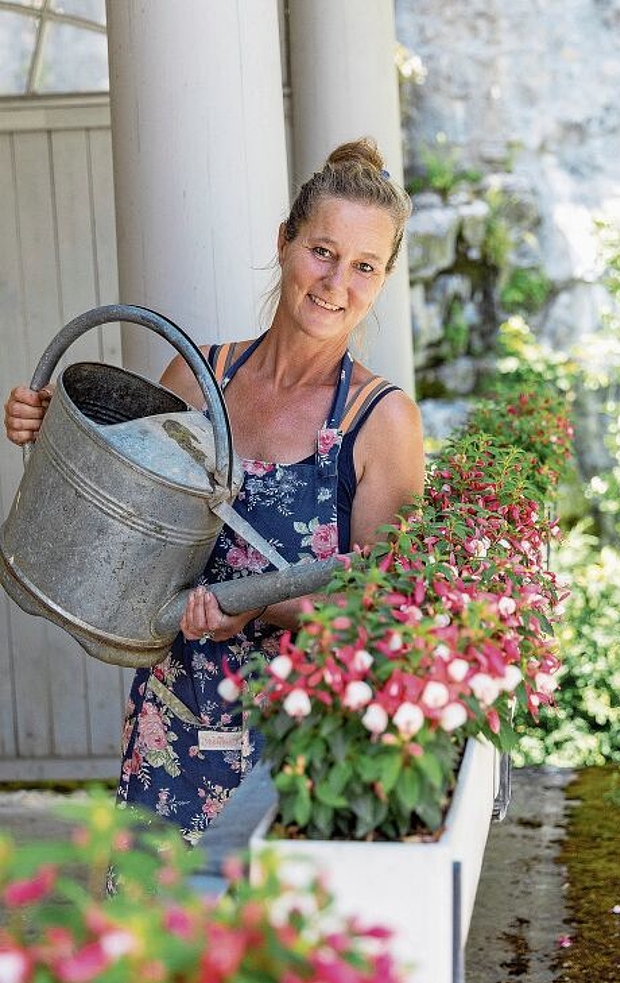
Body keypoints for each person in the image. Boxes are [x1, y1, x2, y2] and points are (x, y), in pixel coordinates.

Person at [4, 138, 425, 843]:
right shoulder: (199, 377)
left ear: (382, 280)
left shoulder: (381, 422)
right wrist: (51, 433)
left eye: (364, 267)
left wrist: (252, 605)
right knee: (149, 945)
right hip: (172, 731)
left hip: (295, 757)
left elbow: (381, 614)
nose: (335, 283)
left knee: (262, 952)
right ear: (285, 242)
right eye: (322, 251)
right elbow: (122, 511)